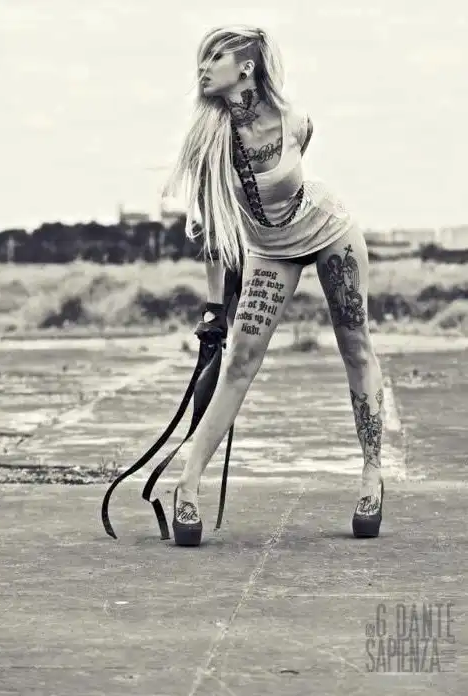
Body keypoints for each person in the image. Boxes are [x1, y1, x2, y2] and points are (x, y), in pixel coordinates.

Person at [164, 24, 385, 546]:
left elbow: (297, 178)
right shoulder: (209, 142)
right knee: (240, 362)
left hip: (328, 229)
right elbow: (215, 230)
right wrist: (214, 307)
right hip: (269, 250)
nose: (203, 67)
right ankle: (186, 486)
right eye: (202, 58)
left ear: (247, 67)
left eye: (215, 57)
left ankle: (372, 475)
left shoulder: (295, 122)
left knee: (355, 346)